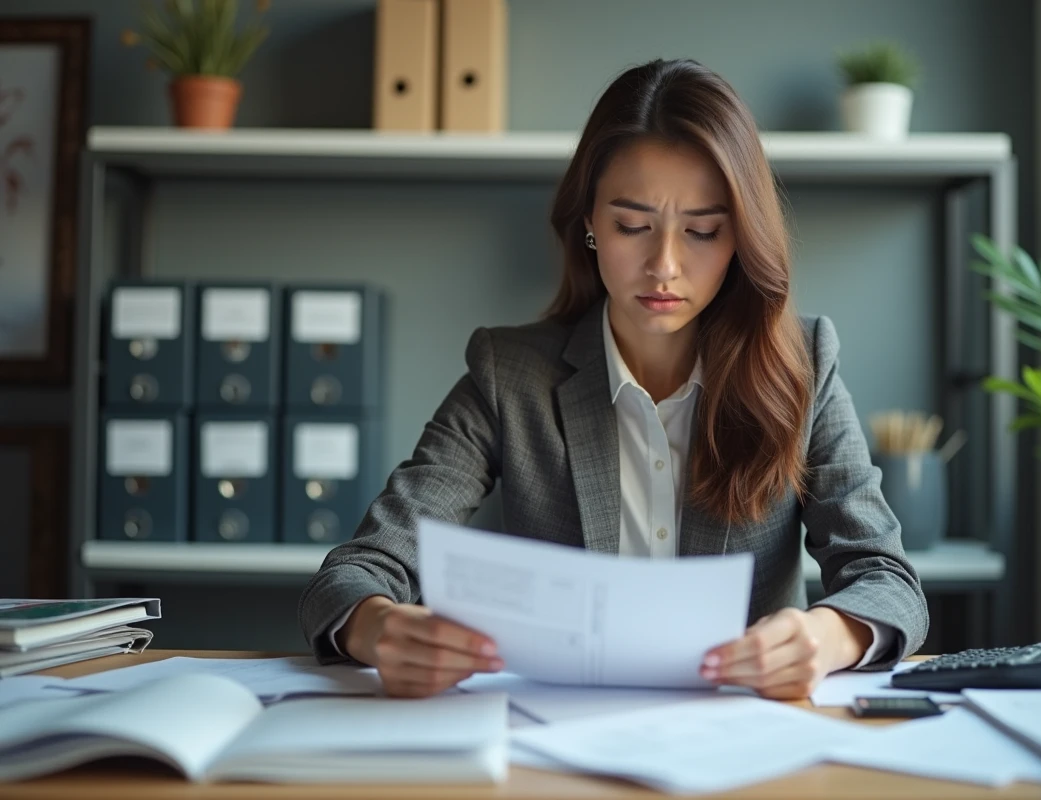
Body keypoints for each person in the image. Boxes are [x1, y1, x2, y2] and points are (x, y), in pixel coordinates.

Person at [299, 57, 927, 701]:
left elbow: (888, 580)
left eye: (702, 231)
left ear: (740, 237)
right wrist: (380, 628)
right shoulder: (508, 375)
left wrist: (825, 637)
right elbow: (354, 571)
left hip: (742, 729)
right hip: (556, 730)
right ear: (590, 223)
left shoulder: (802, 363)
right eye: (632, 225)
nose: (665, 265)